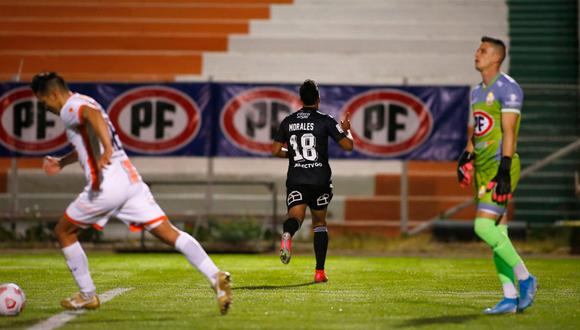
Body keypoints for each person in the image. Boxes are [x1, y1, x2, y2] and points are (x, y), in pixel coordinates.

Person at [30, 72, 232, 314]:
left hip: (106, 183)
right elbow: (88, 141)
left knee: (64, 231)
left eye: (43, 103)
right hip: (130, 180)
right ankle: (215, 276)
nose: (46, 108)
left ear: (52, 94)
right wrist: (63, 162)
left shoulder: (71, 107)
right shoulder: (84, 101)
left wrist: (105, 150)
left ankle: (87, 295)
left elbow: (92, 118)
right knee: (170, 233)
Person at [457, 37, 537, 314]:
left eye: (483, 51)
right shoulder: (476, 91)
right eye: (478, 49)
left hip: (501, 168)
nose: (477, 54)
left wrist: (504, 170)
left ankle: (526, 278)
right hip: (482, 167)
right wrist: (466, 156)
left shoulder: (509, 88)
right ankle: (509, 297)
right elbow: (480, 130)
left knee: (482, 228)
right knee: (498, 233)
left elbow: (509, 133)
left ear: (496, 58)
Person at [272, 79, 353, 283]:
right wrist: (347, 130)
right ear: (318, 98)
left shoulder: (288, 121)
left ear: (300, 99)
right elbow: (348, 146)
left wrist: (294, 155)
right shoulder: (326, 120)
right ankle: (319, 272)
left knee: (295, 218)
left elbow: (275, 150)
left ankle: (288, 235)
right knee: (319, 223)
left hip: (297, 178)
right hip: (319, 180)